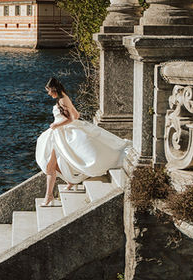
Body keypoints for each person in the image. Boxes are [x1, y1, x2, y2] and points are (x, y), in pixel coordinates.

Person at [36, 77, 131, 206]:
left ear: (53, 90)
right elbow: (77, 115)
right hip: (60, 134)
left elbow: (70, 119)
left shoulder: (63, 100)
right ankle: (67, 184)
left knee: (51, 165)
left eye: (49, 91)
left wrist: (56, 125)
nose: (48, 94)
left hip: (61, 134)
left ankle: (49, 195)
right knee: (58, 162)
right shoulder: (64, 98)